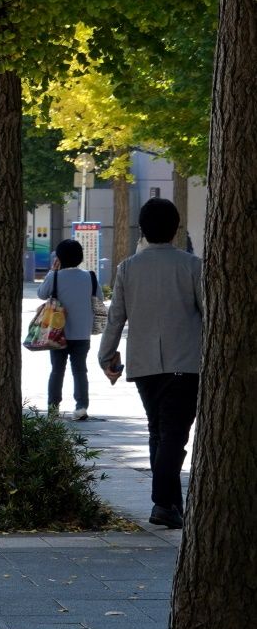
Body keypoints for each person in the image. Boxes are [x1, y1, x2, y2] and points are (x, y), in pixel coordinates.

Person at [98, 197, 202, 531]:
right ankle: (162, 500)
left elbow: (115, 319)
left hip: (143, 365)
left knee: (158, 430)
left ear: (142, 229)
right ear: (176, 229)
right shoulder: (193, 267)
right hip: (185, 362)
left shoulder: (128, 268)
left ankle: (169, 506)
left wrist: (106, 357)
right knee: (174, 433)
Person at [37, 239, 98, 420]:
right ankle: (81, 407)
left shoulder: (55, 276)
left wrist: (52, 271)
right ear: (80, 257)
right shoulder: (90, 277)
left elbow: (41, 293)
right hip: (82, 332)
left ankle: (53, 408)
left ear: (59, 258)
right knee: (80, 370)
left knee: (57, 370)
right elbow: (98, 298)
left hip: (57, 333)